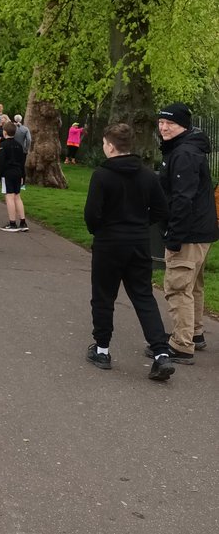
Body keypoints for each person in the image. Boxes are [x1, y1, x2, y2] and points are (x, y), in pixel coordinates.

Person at [83, 122, 174, 381]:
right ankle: (161, 353)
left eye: (103, 143)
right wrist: (139, 224)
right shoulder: (146, 175)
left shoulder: (102, 175)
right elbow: (161, 210)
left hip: (109, 242)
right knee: (143, 296)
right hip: (137, 242)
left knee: (103, 296)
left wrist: (99, 229)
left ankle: (102, 350)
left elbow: (92, 213)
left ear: (110, 146)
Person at [154, 103, 219, 362]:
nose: (163, 127)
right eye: (160, 122)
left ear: (184, 126)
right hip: (201, 230)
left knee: (178, 286)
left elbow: (183, 198)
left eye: (170, 123)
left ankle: (181, 344)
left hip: (190, 232)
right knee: (194, 286)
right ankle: (194, 332)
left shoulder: (184, 154)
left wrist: (174, 237)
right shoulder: (187, 149)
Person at [0, 120, 29, 231]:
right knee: (17, 197)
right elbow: (22, 162)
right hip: (18, 172)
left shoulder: (3, 146)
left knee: (9, 197)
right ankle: (23, 222)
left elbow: (0, 163)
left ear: (5, 133)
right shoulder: (19, 146)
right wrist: (23, 176)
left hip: (8, 173)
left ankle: (12, 223)